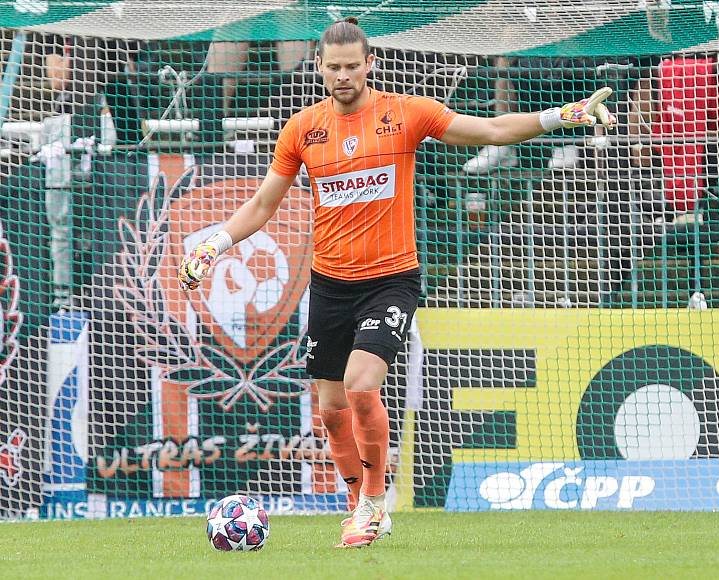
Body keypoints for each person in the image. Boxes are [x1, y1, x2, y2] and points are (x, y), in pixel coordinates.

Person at [177, 17, 615, 548]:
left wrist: (562, 115)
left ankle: (376, 504)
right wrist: (213, 244)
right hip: (331, 285)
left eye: (351, 66)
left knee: (363, 386)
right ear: (319, 68)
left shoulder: (405, 114)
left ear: (370, 64)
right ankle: (357, 501)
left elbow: (492, 131)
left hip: (391, 281)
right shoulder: (302, 129)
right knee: (331, 410)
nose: (343, 76)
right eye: (333, 67)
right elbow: (264, 204)